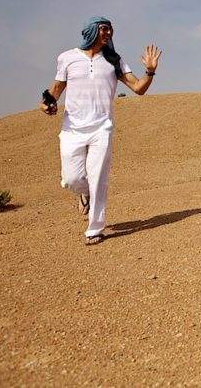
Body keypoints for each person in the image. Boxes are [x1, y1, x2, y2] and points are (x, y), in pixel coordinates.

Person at [40, 16, 161, 245]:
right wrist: (46, 102)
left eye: (110, 30)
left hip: (102, 127)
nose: (107, 33)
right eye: (103, 29)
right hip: (72, 128)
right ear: (90, 30)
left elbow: (138, 88)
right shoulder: (67, 58)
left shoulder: (115, 61)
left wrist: (150, 72)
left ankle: (95, 228)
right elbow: (56, 89)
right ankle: (84, 194)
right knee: (71, 179)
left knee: (99, 178)